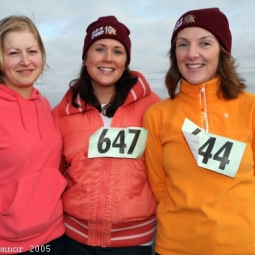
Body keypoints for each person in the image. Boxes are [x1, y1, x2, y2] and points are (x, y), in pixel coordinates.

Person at [143, 7, 255, 255]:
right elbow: (159, 185)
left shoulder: (251, 108)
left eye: (205, 43)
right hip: (174, 247)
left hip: (242, 246)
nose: (192, 54)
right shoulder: (157, 115)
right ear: (174, 54)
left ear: (222, 51)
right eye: (183, 45)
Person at [52, 15, 160, 255]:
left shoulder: (153, 107)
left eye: (118, 51)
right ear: (85, 58)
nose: (108, 58)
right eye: (99, 49)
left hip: (134, 241)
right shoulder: (61, 113)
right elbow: (55, 171)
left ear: (126, 61)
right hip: (74, 238)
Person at [0, 15, 66, 254]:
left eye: (32, 51)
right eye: (14, 53)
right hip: (8, 245)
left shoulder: (45, 105)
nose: (25, 61)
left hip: (55, 236)